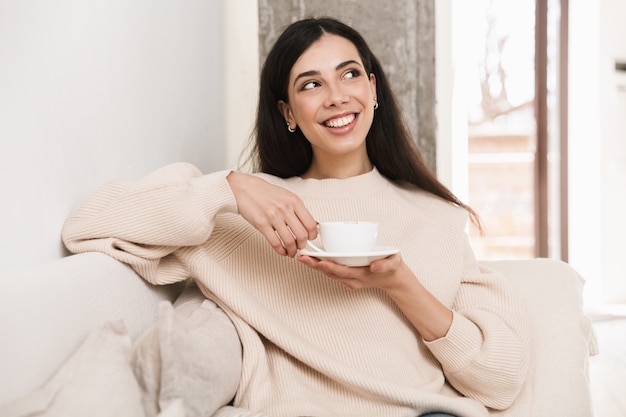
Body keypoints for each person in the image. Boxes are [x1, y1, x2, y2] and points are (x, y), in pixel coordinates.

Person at [62, 17, 530, 417]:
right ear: (288, 112)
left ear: (373, 88)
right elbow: (86, 224)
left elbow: (501, 378)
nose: (335, 96)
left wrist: (399, 283)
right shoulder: (250, 212)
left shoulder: (437, 217)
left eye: (349, 75)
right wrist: (230, 186)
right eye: (311, 84)